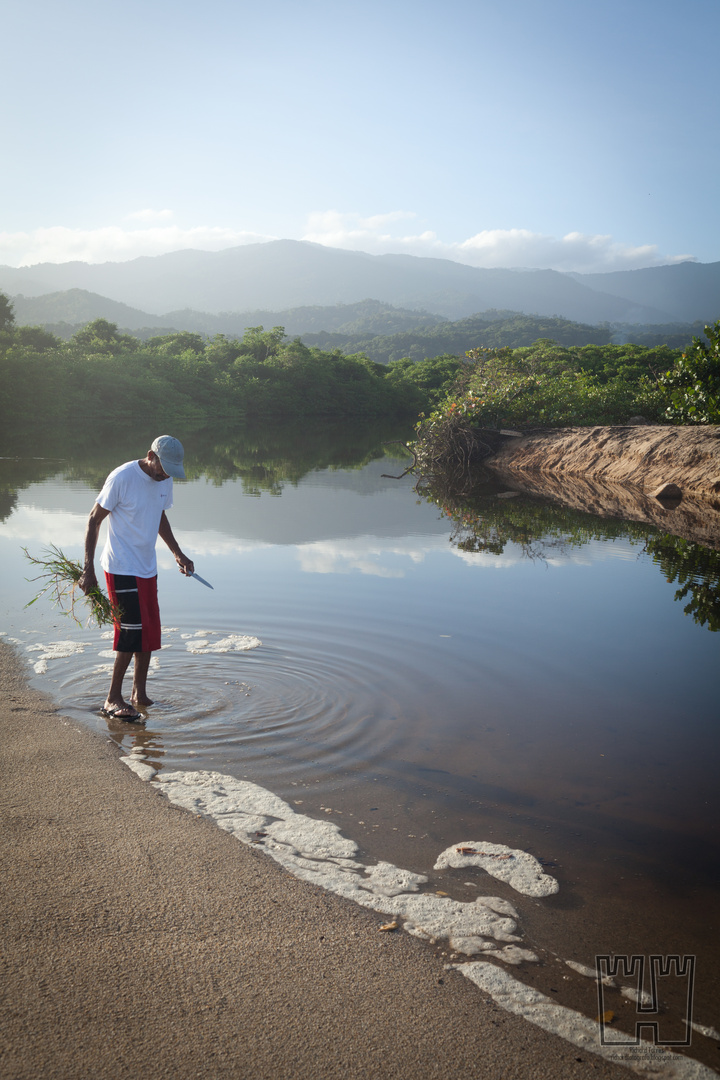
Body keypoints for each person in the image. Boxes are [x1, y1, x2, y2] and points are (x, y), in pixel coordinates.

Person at [78, 435, 195, 722]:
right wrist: (87, 569)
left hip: (146, 567)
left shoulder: (164, 480)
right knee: (130, 633)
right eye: (162, 468)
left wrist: (177, 553)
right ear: (150, 456)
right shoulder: (122, 477)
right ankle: (111, 699)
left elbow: (159, 516)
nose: (164, 475)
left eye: (169, 471)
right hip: (120, 567)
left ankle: (138, 694)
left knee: (149, 633)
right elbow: (94, 519)